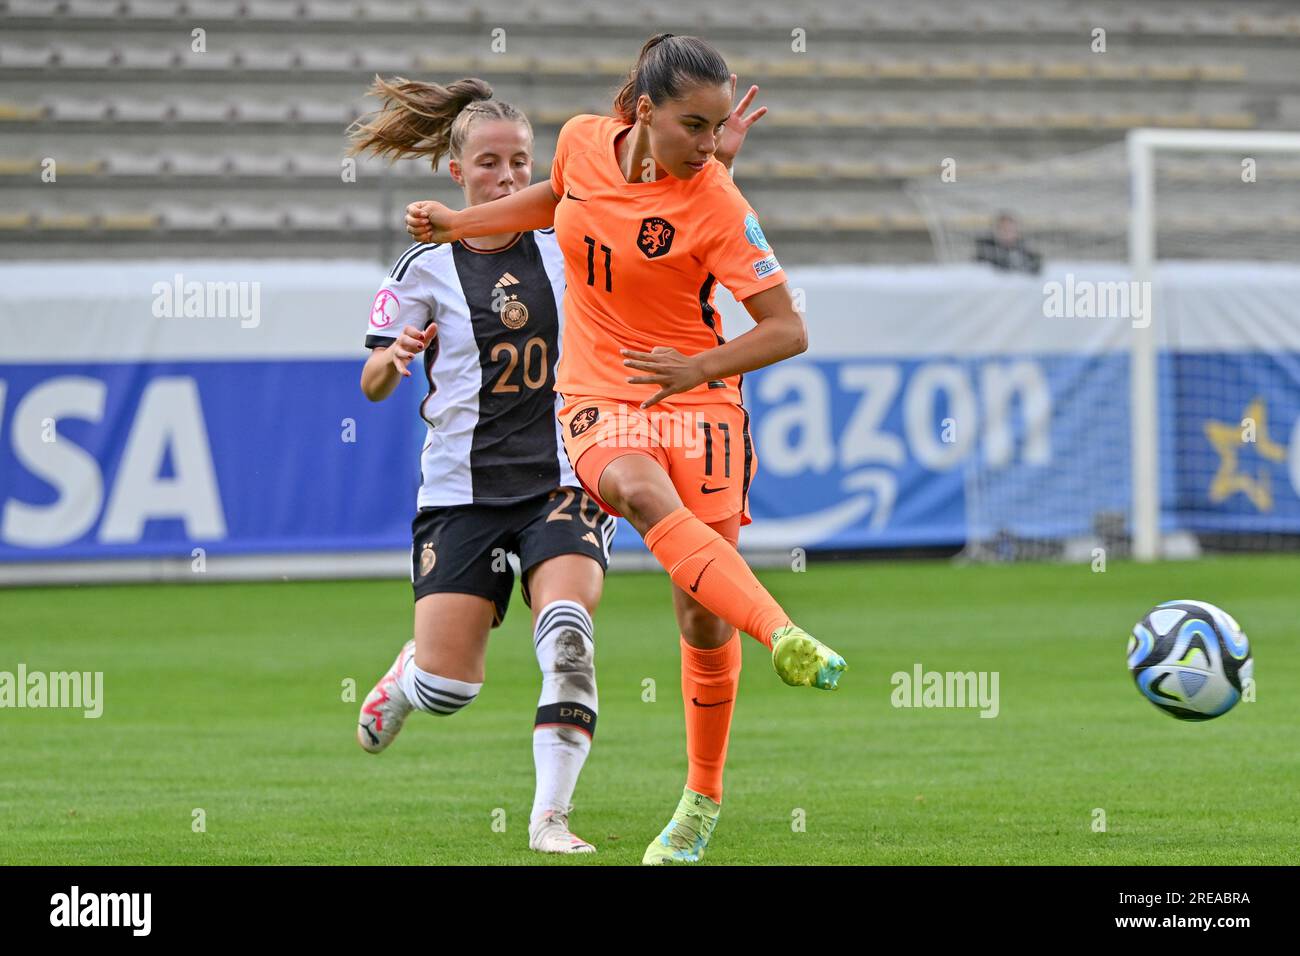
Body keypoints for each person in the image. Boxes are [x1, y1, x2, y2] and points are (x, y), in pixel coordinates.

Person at [404, 34, 848, 865]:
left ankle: (700, 800)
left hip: (702, 396)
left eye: (718, 130)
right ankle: (784, 630)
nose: (710, 146)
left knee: (699, 613)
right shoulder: (579, 141)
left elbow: (788, 329)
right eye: (695, 127)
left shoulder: (716, 202)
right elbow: (552, 199)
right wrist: (463, 222)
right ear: (644, 112)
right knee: (639, 492)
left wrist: (700, 366)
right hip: (600, 395)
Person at [346, 67, 763, 856]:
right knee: (449, 687)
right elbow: (369, 384)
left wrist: (720, 168)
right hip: (462, 488)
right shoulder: (422, 267)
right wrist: (392, 359)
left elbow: (667, 232)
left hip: (565, 474)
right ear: (456, 171)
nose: (507, 177)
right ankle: (408, 680)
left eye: (519, 163)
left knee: (568, 639)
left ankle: (550, 819)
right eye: (489, 165)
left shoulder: (566, 238)